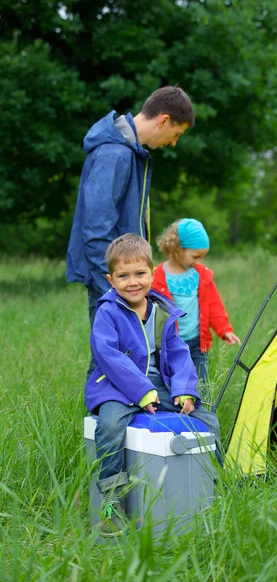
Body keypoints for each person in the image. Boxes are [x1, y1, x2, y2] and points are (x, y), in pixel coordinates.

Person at [86, 233, 222, 537]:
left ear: (153, 274)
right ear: (111, 279)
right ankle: (111, 497)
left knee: (207, 420)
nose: (132, 282)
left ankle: (214, 483)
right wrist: (140, 391)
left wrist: (184, 388)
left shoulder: (162, 312)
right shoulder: (108, 312)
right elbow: (108, 356)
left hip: (156, 383)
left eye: (140, 274)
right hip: (115, 385)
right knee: (109, 424)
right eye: (123, 276)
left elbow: (178, 353)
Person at [66, 86, 195, 379]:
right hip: (111, 277)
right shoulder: (115, 154)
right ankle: (101, 422)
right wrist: (114, 288)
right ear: (163, 120)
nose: (173, 142)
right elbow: (96, 230)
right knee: (109, 356)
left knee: (120, 352)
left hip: (121, 276)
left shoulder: (127, 152)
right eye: (176, 133)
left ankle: (115, 419)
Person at [152, 218, 241, 386]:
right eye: (195, 256)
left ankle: (202, 410)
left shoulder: (201, 275)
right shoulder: (157, 276)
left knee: (201, 385)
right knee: (173, 384)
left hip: (197, 344)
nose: (198, 261)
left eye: (201, 257)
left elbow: (215, 306)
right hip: (170, 345)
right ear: (177, 248)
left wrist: (225, 330)